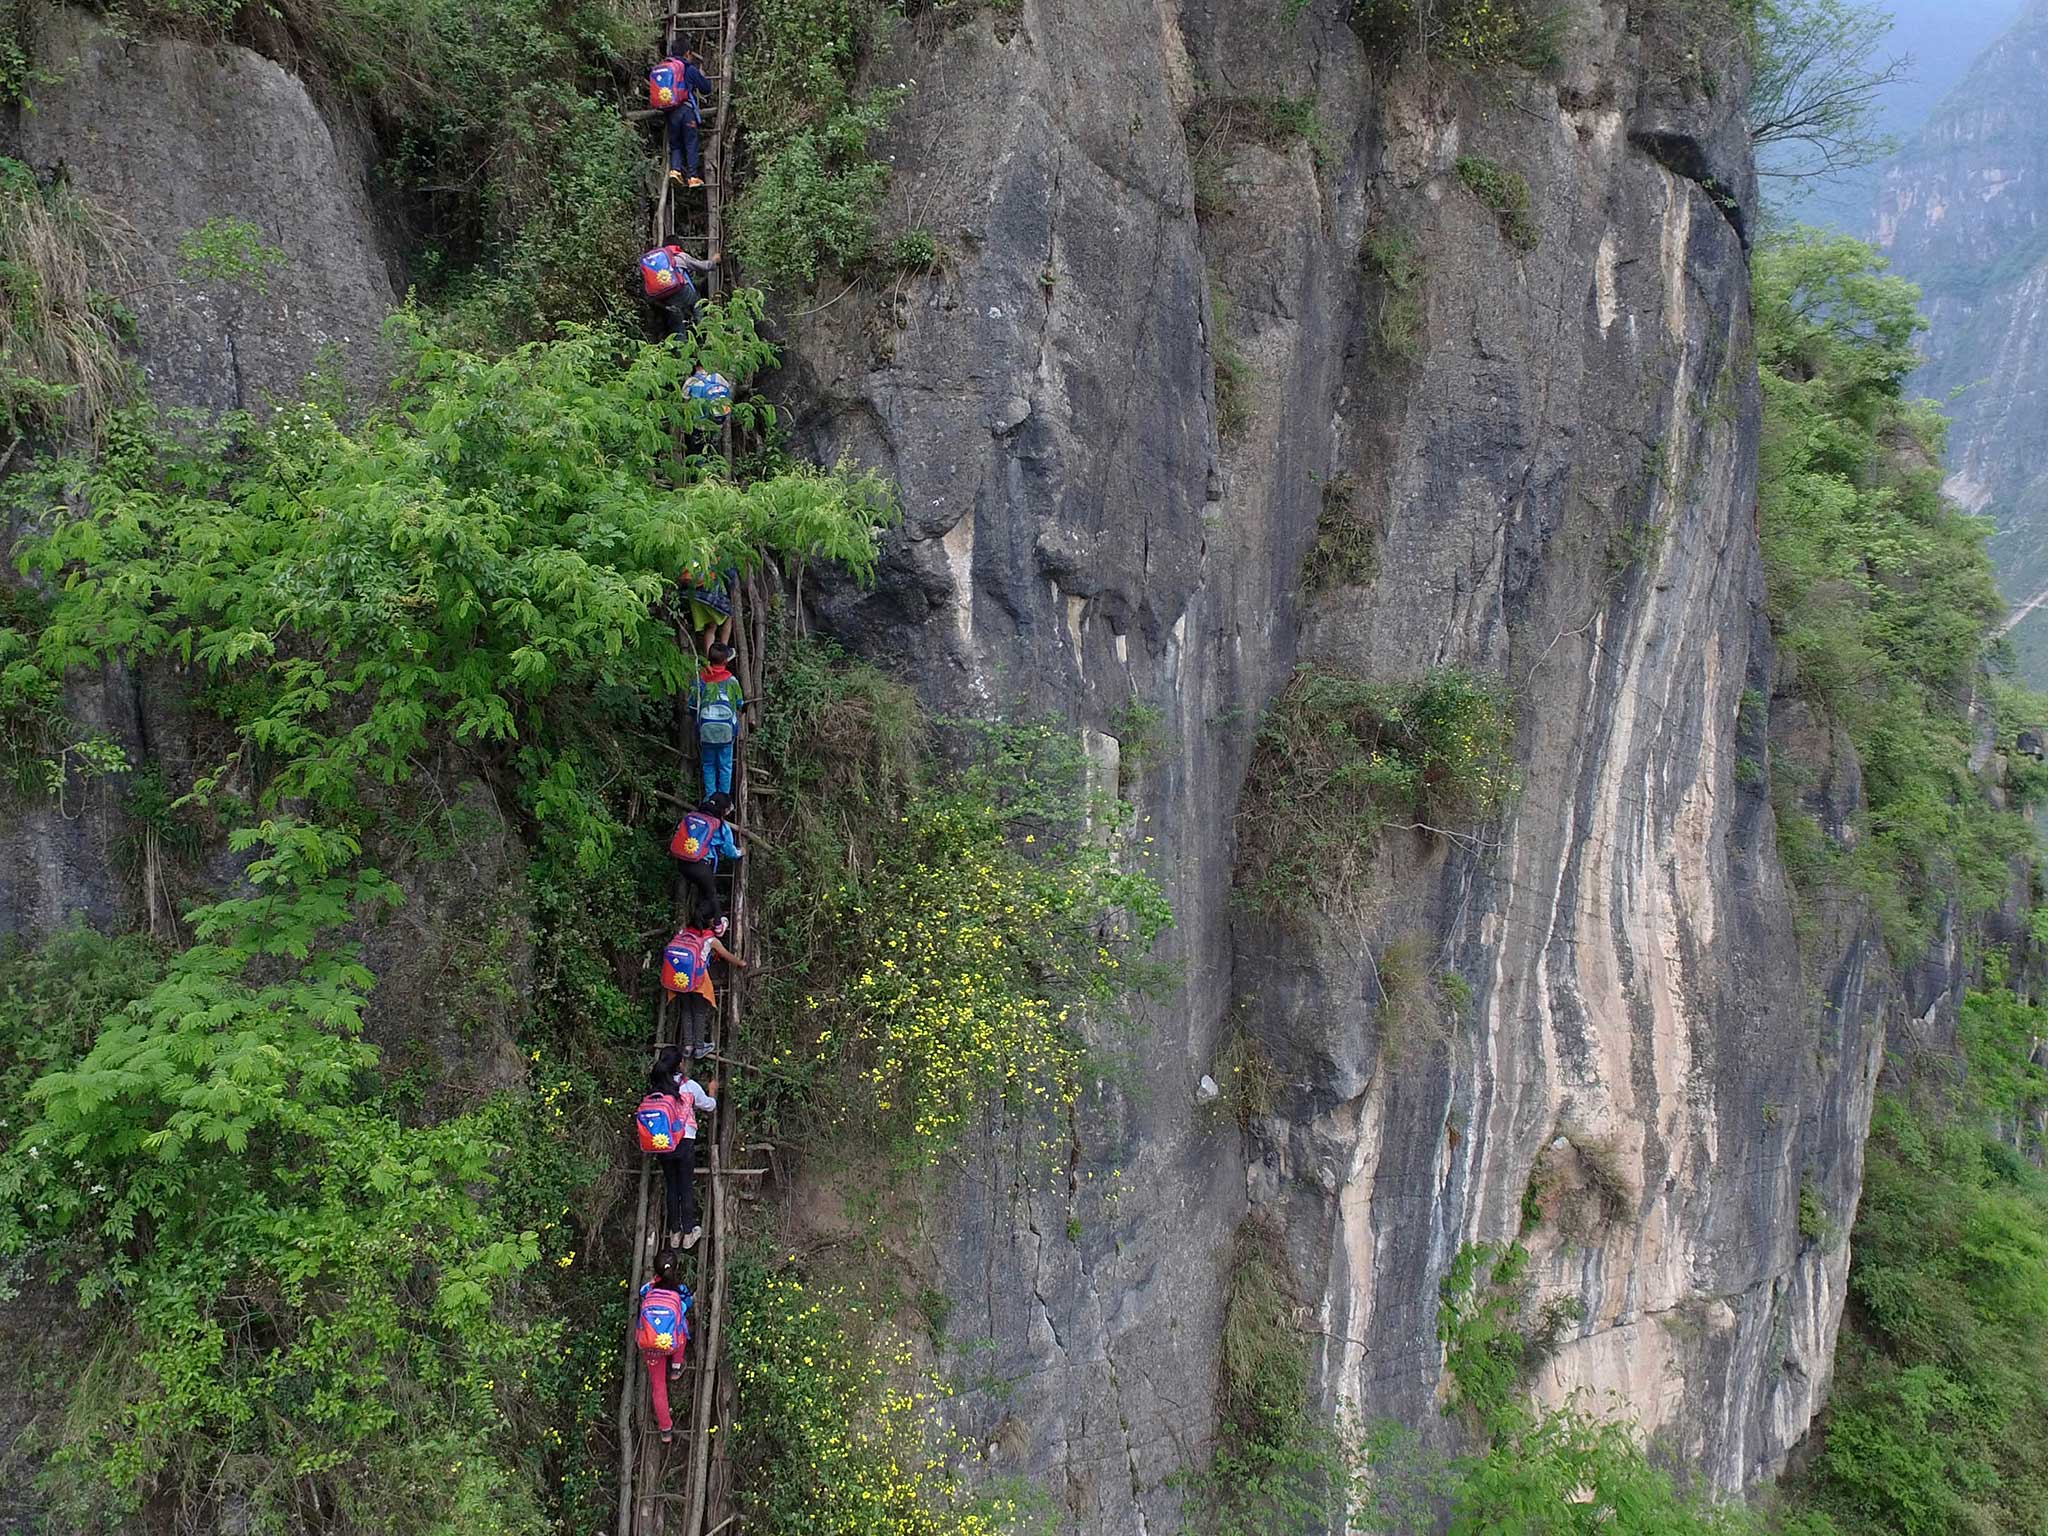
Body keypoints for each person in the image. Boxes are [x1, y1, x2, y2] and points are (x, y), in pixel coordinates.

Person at [643, 1044, 721, 1248]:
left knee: (672, 1186)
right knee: (685, 1186)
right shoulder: (689, 1086)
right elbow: (709, 1106)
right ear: (680, 1064)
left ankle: (674, 1233)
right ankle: (688, 1233)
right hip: (684, 1140)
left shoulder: (657, 1086)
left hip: (663, 1142)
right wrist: (712, 1092)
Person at [659, 913, 746, 1062]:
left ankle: (687, 1047)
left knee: (686, 1010)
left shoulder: (683, 933)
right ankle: (699, 1048)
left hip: (680, 980)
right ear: (708, 924)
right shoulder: (710, 939)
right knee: (699, 1012)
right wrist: (741, 963)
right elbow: (726, 955)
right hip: (698, 982)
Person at [635, 1248, 693, 1443]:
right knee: (683, 1327)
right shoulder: (680, 1289)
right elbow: (686, 1306)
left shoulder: (648, 1289)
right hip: (671, 1344)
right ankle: (676, 1367)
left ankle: (666, 1429)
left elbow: (642, 1293)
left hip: (651, 1346)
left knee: (658, 1386)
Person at [670, 799, 743, 925]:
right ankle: (717, 924)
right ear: (724, 811)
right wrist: (741, 852)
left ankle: (698, 924)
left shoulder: (692, 817)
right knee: (711, 895)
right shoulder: (721, 826)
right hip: (702, 866)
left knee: (703, 893)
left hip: (682, 863)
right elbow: (729, 851)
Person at [649, 48, 713, 190]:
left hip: (670, 112)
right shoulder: (687, 68)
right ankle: (693, 177)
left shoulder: (664, 67)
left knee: (676, 143)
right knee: (691, 142)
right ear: (688, 53)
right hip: (686, 110)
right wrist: (701, 76)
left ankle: (675, 170)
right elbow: (706, 88)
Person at [692, 643, 747, 799]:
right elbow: (739, 704)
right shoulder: (731, 681)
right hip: (726, 733)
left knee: (708, 765)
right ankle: (723, 800)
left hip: (706, 732)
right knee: (725, 766)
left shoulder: (701, 679)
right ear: (725, 662)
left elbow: (692, 705)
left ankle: (710, 799)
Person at [640, 244, 721, 339]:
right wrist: (714, 261)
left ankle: (682, 349)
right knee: (697, 303)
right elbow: (704, 266)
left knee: (678, 326)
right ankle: (704, 335)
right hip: (684, 292)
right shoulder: (680, 256)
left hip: (666, 298)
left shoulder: (656, 262)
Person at [679, 566, 735, 651]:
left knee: (710, 626)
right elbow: (729, 575)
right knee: (728, 615)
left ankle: (710, 658)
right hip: (709, 594)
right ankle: (724, 651)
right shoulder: (717, 558)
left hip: (692, 595)